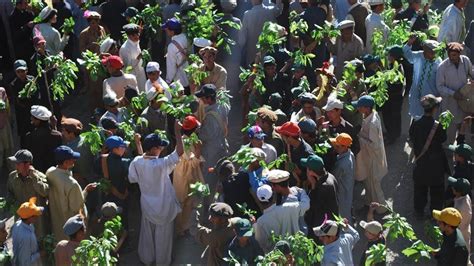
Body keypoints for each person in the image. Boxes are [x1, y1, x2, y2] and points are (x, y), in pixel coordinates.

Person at [128, 128, 184, 265]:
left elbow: (134, 176)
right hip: (163, 208)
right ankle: (162, 262)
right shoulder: (161, 164)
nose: (162, 150)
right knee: (163, 238)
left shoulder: (136, 162)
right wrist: (177, 132)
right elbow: (180, 152)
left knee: (147, 235)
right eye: (160, 148)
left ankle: (147, 258)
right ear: (153, 149)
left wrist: (138, 144)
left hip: (147, 206)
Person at [409, 95, 449, 218]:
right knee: (437, 190)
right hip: (436, 164)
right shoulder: (437, 125)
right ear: (435, 109)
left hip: (421, 162)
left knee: (420, 189)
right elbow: (443, 139)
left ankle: (419, 212)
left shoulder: (415, 123)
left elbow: (411, 137)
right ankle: (434, 214)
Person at [47, 145, 96, 241]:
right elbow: (77, 206)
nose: (74, 160)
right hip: (71, 228)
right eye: (72, 159)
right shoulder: (72, 184)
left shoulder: (50, 172)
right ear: (65, 163)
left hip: (57, 222)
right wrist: (86, 190)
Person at [196, 84, 229, 208]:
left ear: (209, 98)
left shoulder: (210, 116)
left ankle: (209, 209)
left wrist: (198, 129)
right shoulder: (223, 107)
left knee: (209, 181)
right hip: (222, 146)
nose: (202, 100)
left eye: (203, 97)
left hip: (211, 152)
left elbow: (206, 135)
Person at [353, 95, 387, 213]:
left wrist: (360, 137)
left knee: (374, 185)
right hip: (368, 157)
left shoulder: (372, 123)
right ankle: (368, 204)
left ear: (367, 108)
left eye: (360, 107)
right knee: (368, 184)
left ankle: (382, 209)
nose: (358, 109)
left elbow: (374, 145)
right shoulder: (370, 114)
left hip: (373, 158)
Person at [7, 149, 49, 239]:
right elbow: (10, 192)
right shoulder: (12, 177)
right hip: (21, 219)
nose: (16, 166)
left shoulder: (39, 177)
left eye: (18, 163)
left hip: (38, 222)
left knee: (39, 243)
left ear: (27, 164)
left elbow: (45, 192)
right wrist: (12, 203)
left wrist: (34, 177)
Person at [173, 115, 205, 235]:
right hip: (184, 176)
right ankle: (180, 229)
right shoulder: (185, 142)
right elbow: (192, 162)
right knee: (182, 201)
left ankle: (185, 226)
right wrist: (198, 150)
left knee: (189, 201)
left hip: (188, 175)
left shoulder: (190, 139)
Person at [253, 184, 307, 252]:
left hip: (277, 258)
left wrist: (255, 226)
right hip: (296, 252)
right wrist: (301, 191)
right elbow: (306, 204)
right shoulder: (290, 207)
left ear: (259, 200)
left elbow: (261, 243)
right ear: (273, 196)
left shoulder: (261, 222)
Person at [437, 42, 473, 144]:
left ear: (459, 53)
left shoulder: (465, 61)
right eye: (450, 55)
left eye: (454, 55)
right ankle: (448, 153)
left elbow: (471, 72)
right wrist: (453, 93)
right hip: (449, 104)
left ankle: (462, 154)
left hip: (464, 102)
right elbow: (440, 87)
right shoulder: (442, 67)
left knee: (465, 128)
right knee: (449, 131)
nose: (452, 57)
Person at [403, 37, 442, 121]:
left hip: (430, 94)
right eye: (430, 51)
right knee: (416, 116)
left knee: (428, 117)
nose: (433, 53)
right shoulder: (418, 56)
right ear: (424, 49)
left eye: (434, 51)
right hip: (416, 92)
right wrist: (409, 43)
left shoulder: (438, 61)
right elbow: (407, 54)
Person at [239, 0, 281, 66]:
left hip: (252, 51)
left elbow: (243, 37)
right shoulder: (271, 11)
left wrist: (240, 49)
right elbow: (279, 10)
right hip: (268, 51)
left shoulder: (248, 14)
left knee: (253, 72)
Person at [25, 105, 62, 173]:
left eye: (32, 117)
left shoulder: (30, 136)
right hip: (53, 171)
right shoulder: (58, 135)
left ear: (38, 120)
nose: (31, 119)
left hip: (38, 172)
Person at [381, 45, 405, 144]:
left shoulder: (397, 68)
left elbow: (396, 85)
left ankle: (392, 136)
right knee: (391, 117)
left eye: (389, 55)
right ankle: (391, 133)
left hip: (393, 98)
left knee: (392, 117)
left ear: (393, 57)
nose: (388, 57)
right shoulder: (394, 65)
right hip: (393, 97)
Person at [329, 133, 355, 222]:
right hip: (348, 187)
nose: (335, 148)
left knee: (343, 215)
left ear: (344, 147)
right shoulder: (350, 153)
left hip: (342, 192)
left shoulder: (342, 164)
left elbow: (333, 177)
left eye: (337, 146)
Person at [9, 59, 35, 146]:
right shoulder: (13, 84)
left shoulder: (32, 80)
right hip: (22, 113)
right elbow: (17, 100)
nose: (21, 74)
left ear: (26, 70)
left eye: (23, 71)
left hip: (33, 110)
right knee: (24, 135)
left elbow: (37, 94)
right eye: (18, 71)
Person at [12, 197, 43, 266]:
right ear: (30, 218)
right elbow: (25, 262)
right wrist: (40, 254)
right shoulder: (26, 237)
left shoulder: (18, 224)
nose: (37, 217)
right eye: (35, 215)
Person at [163, 18, 189, 91]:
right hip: (191, 77)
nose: (165, 30)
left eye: (167, 29)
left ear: (172, 31)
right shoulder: (186, 37)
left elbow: (171, 66)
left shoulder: (172, 46)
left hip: (180, 81)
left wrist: (168, 81)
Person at [448, 177, 472, 254]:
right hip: (465, 229)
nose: (452, 187)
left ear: (459, 192)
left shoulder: (461, 208)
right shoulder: (466, 196)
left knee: (460, 252)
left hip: (460, 232)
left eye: (454, 187)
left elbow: (456, 224)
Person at [120, 23, 147, 91]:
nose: (136, 36)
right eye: (133, 35)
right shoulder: (125, 48)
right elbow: (128, 67)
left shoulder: (136, 42)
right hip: (132, 76)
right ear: (128, 36)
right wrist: (138, 58)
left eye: (137, 34)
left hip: (140, 74)